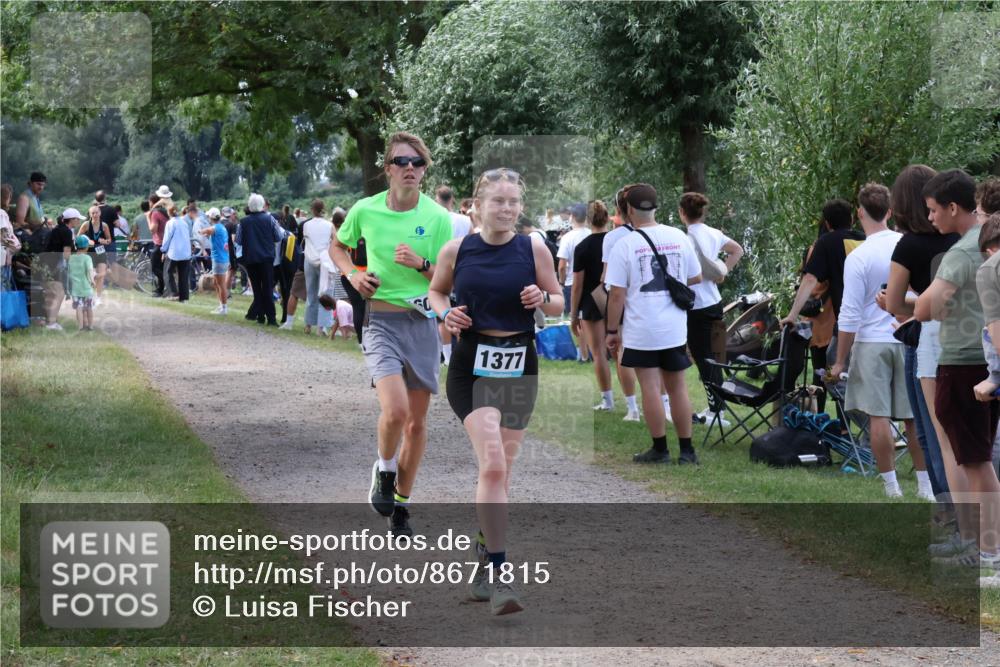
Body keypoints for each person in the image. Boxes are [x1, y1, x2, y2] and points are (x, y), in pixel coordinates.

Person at [428, 167, 563, 615]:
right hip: (471, 366)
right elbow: (435, 292)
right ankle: (503, 578)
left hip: (519, 363)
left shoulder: (533, 247)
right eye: (497, 201)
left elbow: (560, 300)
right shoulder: (457, 249)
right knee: (491, 464)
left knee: (502, 472)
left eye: (513, 202)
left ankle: (483, 568)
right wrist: (446, 315)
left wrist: (541, 301)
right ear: (477, 205)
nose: (506, 209)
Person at [329, 131, 452, 537]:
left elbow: (447, 281)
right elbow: (337, 248)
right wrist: (354, 276)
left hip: (421, 325)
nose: (412, 169)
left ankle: (402, 504)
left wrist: (422, 264)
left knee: (416, 425)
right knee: (395, 410)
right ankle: (384, 471)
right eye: (403, 162)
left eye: (418, 163)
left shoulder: (437, 218)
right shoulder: (365, 210)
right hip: (380, 322)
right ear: (387, 169)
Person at [915, 169, 999, 573]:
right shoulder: (980, 247)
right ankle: (983, 544)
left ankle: (987, 548)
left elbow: (926, 307)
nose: (930, 219)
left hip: (963, 363)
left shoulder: (963, 252)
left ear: (953, 208)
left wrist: (921, 304)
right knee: (977, 458)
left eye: (933, 211)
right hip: (982, 361)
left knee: (975, 461)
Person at [829, 183, 928, 498]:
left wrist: (841, 360)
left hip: (871, 341)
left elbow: (849, 314)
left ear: (859, 213)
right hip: (909, 335)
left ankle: (891, 486)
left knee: (878, 415)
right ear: (889, 212)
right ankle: (926, 485)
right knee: (914, 418)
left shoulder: (858, 256)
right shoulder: (907, 244)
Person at [876, 165, 958, 506]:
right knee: (953, 432)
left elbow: (895, 304)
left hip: (926, 339)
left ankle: (950, 514)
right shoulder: (961, 238)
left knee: (930, 431)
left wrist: (899, 304)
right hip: (962, 338)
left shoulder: (908, 245)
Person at [605, 183, 702, 464]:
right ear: (655, 207)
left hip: (641, 327)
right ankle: (687, 451)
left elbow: (617, 295)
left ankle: (660, 449)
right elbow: (694, 277)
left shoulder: (624, 244)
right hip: (674, 327)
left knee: (649, 387)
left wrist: (612, 331)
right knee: (678, 388)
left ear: (630, 210)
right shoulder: (678, 236)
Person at [679, 192, 745, 428]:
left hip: (696, 305)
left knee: (703, 357)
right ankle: (717, 405)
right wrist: (723, 271)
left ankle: (717, 409)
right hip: (714, 302)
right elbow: (737, 250)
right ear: (702, 212)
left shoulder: (684, 238)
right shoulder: (713, 233)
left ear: (682, 213)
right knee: (715, 355)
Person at [601, 195, 643, 422]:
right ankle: (664, 404)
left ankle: (633, 407)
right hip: (648, 299)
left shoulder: (612, 238)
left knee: (622, 351)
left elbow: (607, 276)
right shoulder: (658, 233)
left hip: (622, 296)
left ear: (619, 209)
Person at [571, 200, 614, 411]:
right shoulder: (616, 243)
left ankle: (608, 400)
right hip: (616, 298)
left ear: (588, 221)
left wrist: (573, 314)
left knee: (598, 353)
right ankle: (633, 401)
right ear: (608, 217)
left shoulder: (583, 247)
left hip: (591, 301)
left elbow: (577, 285)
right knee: (621, 350)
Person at [238, 193, 286, 325]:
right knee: (267, 288)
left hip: (251, 258)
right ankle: (271, 318)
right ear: (261, 205)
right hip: (266, 258)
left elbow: (239, 240)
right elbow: (278, 237)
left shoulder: (243, 222)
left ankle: (260, 316)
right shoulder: (270, 219)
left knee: (257, 288)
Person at [297, 199, 336, 335]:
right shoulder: (329, 225)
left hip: (309, 259)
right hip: (324, 261)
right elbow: (335, 241)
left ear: (312, 209)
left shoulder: (306, 225)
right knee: (325, 292)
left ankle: (308, 324)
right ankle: (322, 327)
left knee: (311, 292)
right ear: (323, 209)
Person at [42, 208, 81, 331]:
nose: (79, 221)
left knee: (52, 293)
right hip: (56, 265)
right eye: (77, 219)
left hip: (47, 263)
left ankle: (51, 321)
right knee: (59, 293)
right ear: (72, 220)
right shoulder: (67, 232)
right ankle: (51, 324)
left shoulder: (57, 229)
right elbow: (66, 253)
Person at [557, 203, 590, 323]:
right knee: (588, 319)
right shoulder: (591, 234)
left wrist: (561, 282)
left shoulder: (567, 238)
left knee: (572, 318)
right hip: (591, 283)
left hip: (572, 283)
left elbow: (561, 266)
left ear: (572, 216)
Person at [78, 205, 113, 306]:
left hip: (100, 252)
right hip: (89, 252)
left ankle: (98, 298)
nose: (95, 215)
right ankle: (87, 296)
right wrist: (86, 242)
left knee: (101, 276)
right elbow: (78, 238)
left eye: (96, 212)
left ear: (100, 213)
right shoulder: (86, 225)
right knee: (90, 276)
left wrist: (105, 241)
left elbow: (109, 240)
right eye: (92, 213)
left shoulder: (104, 225)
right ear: (90, 214)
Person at [199, 208, 230, 314]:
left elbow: (205, 231)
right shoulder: (221, 227)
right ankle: (221, 306)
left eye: (208, 216)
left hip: (219, 259)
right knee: (217, 284)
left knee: (220, 284)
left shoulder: (215, 227)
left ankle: (224, 308)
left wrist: (200, 231)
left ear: (211, 217)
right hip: (222, 258)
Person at [161, 203, 192, 302]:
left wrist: (163, 250)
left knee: (167, 272)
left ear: (168, 213)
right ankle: (184, 297)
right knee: (183, 275)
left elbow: (167, 238)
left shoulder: (170, 223)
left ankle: (173, 292)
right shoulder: (184, 222)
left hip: (174, 252)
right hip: (185, 252)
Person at [149, 186, 173, 297]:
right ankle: (161, 289)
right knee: (164, 267)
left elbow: (153, 229)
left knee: (155, 267)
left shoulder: (156, 212)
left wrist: (148, 220)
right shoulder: (171, 210)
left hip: (159, 243)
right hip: (170, 243)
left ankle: (165, 286)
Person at [68, 234, 96, 331]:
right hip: (86, 288)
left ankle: (80, 327)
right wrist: (92, 281)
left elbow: (68, 271)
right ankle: (90, 326)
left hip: (75, 289)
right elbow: (90, 270)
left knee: (79, 308)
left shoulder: (71, 258)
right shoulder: (87, 258)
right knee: (89, 308)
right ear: (86, 246)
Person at [1, 184, 22, 289]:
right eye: (9, 197)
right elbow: (2, 235)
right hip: (3, 258)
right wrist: (14, 246)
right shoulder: (1, 213)